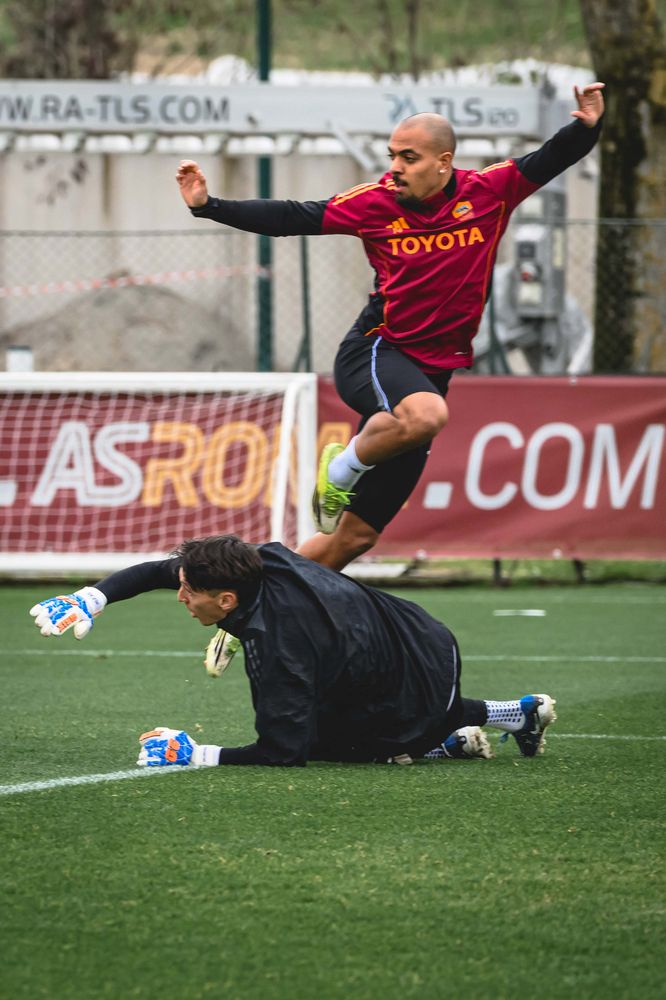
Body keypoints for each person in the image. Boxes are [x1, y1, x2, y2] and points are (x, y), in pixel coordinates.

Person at [176, 83, 605, 577]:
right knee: (426, 415)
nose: (395, 167)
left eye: (409, 157)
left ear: (444, 162)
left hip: (432, 371)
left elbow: (551, 158)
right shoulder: (375, 203)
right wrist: (210, 205)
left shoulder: (489, 192)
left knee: (353, 539)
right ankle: (338, 469)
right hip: (378, 350)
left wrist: (587, 126)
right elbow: (293, 216)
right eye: (392, 155)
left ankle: (251, 598)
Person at [29, 534, 556, 768]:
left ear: (228, 599)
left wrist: (195, 754)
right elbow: (156, 572)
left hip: (405, 682)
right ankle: (518, 714)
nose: (180, 596)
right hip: (423, 636)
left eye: (190, 594)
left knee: (328, 742)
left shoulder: (281, 646)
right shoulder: (254, 561)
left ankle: (430, 742)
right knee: (376, 699)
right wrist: (89, 599)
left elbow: (282, 752)